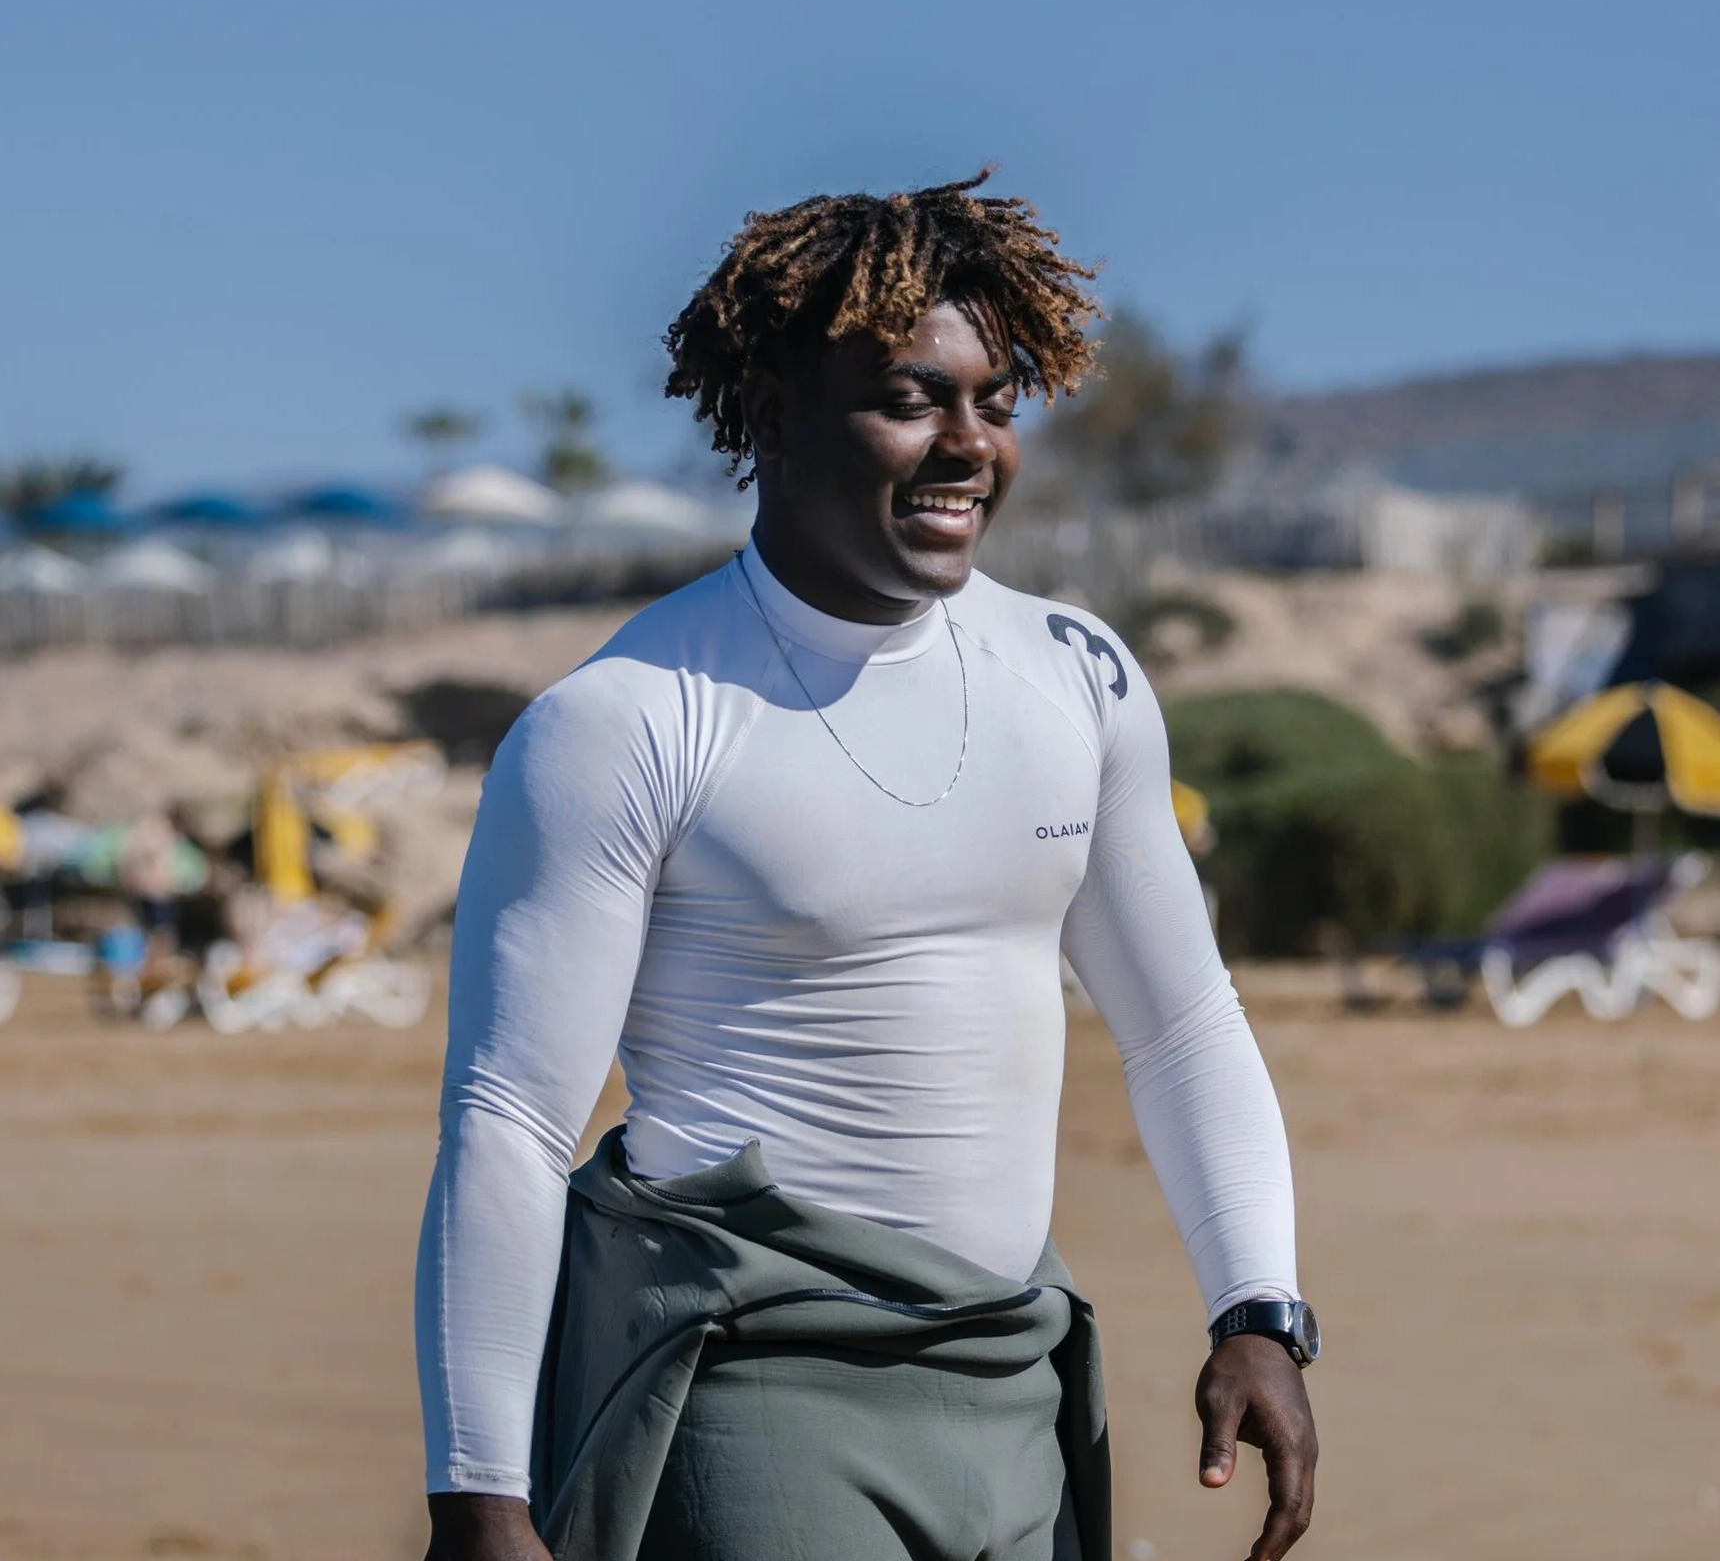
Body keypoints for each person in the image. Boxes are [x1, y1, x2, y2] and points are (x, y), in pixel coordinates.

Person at [417, 171, 1318, 1561]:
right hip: (756, 1365)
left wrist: (1258, 1307)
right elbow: (513, 1121)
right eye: (911, 400)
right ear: (773, 415)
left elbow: (1186, 1025)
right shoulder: (627, 718)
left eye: (996, 401)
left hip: (1016, 1363)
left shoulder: (1077, 676)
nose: (969, 445)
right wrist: (479, 1496)